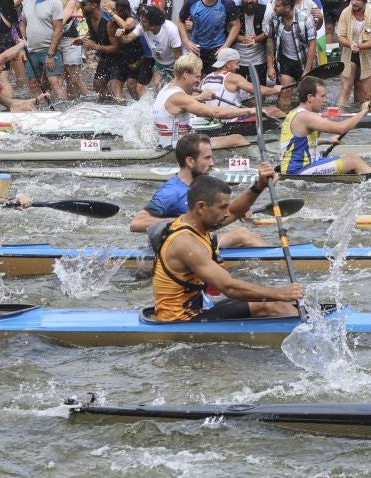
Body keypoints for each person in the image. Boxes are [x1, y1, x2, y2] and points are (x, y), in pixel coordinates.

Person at [148, 174, 306, 322]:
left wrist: (258, 186)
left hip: (198, 308)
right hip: (180, 321)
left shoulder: (196, 222)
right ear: (201, 207)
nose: (226, 214)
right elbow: (229, 287)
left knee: (275, 302)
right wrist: (281, 293)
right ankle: (307, 330)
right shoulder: (186, 243)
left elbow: (235, 211)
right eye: (222, 208)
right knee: (272, 305)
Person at [130, 130, 271, 247]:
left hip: (197, 242)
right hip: (173, 249)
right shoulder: (170, 192)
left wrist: (256, 189)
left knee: (246, 233)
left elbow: (230, 213)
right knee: (242, 235)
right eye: (207, 158)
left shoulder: (204, 185)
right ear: (190, 161)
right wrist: (186, 222)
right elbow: (137, 224)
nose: (212, 163)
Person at [152, 53, 253, 151]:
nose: (198, 81)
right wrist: (249, 110)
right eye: (197, 76)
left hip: (171, 143)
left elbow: (181, 104)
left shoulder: (167, 88)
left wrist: (200, 97)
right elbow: (216, 113)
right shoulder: (180, 98)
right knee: (237, 139)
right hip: (178, 147)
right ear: (185, 74)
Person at [277, 76, 371, 176]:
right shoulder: (305, 116)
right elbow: (340, 128)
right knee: (353, 160)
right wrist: (363, 111)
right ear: (310, 97)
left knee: (347, 159)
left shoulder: (295, 113)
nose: (324, 100)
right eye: (322, 96)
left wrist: (328, 140)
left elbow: (303, 143)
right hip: (298, 170)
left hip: (300, 167)